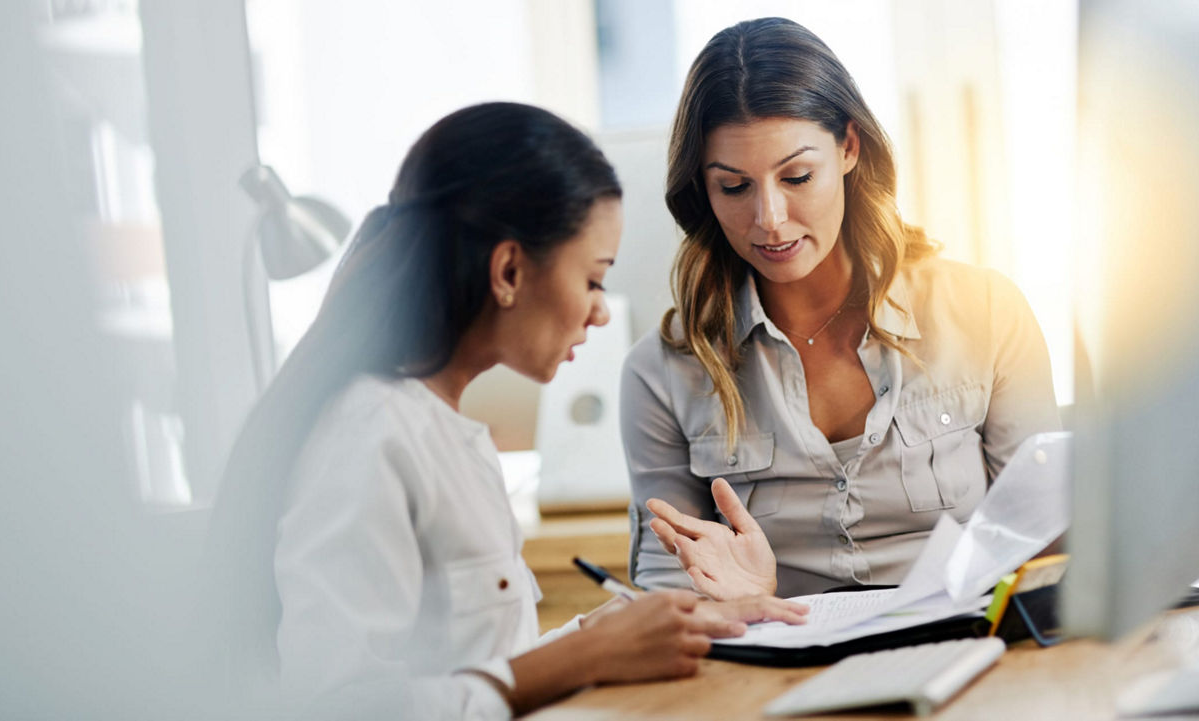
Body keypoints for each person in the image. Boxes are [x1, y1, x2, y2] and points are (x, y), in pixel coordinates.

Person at [207, 102, 808, 720]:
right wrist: (585, 657)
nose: (601, 312)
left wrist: (618, 629)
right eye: (595, 280)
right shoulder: (370, 434)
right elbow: (339, 707)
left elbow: (481, 666)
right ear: (510, 271)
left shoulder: (445, 430)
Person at [620, 18, 1061, 602]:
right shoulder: (663, 371)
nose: (770, 218)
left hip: (970, 646)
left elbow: (1047, 539)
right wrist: (744, 601)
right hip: (775, 665)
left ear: (849, 147)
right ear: (701, 188)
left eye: (797, 176)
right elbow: (666, 587)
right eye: (734, 187)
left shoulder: (984, 311)